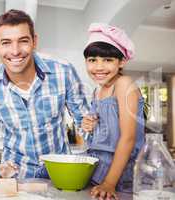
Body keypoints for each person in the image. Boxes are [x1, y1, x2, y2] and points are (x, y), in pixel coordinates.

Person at [0, 9, 89, 179]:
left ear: (34, 41)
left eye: (23, 41)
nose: (15, 51)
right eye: (6, 42)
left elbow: (85, 123)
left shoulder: (63, 72)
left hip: (59, 175)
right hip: (15, 180)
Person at [81, 23, 145, 199]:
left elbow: (128, 138)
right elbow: (104, 129)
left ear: (121, 61)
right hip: (98, 170)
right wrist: (89, 124)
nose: (99, 67)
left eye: (107, 60)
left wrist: (109, 183)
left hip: (120, 175)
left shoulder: (124, 84)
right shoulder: (97, 90)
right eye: (92, 60)